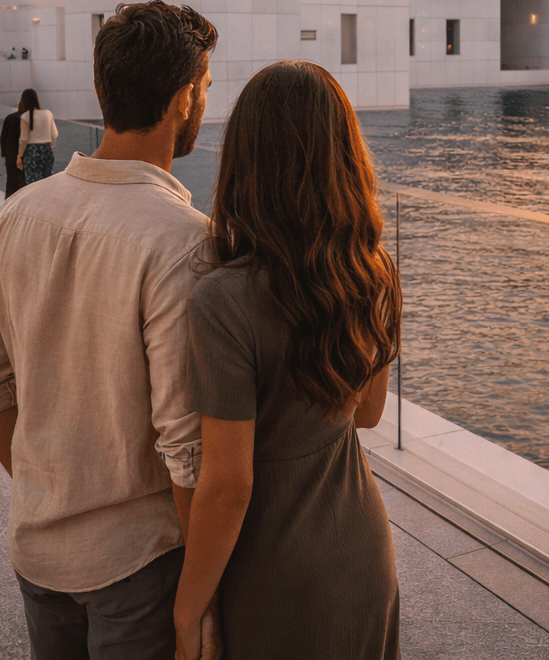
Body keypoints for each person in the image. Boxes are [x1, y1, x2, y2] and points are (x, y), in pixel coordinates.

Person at [0, 0, 220, 660]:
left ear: (104, 90)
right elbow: (186, 446)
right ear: (185, 98)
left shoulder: (19, 215)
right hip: (140, 564)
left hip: (37, 551)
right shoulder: (183, 242)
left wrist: (50, 486)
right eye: (207, 89)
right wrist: (196, 602)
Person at [175, 60, 402, 660]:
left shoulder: (221, 300)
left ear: (245, 160)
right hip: (362, 547)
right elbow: (369, 413)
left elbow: (229, 485)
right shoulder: (371, 270)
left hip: (273, 569)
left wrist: (186, 609)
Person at [15, 88, 59, 187]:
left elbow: (23, 140)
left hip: (32, 152)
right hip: (47, 150)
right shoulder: (48, 114)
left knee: (32, 185)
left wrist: (19, 156)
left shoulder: (25, 116)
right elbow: (54, 134)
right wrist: (50, 148)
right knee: (47, 182)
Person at [0, 104, 25, 199]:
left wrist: (4, 153)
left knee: (10, 181)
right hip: (22, 156)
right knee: (22, 182)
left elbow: (3, 138)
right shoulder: (26, 119)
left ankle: (8, 205)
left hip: (10, 155)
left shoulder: (9, 118)